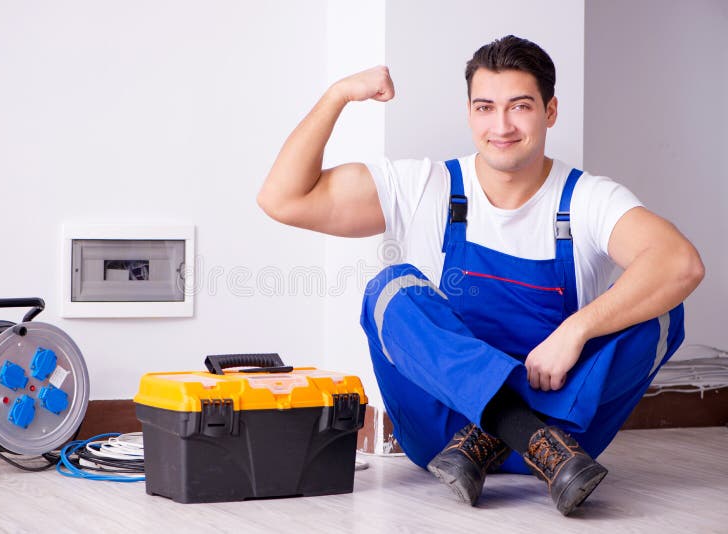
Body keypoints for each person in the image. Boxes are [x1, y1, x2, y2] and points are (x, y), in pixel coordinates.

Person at [257, 35, 704, 515]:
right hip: (458, 436)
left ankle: (498, 437)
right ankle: (523, 431)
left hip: (564, 429)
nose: (502, 126)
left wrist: (576, 330)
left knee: (662, 309)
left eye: (520, 106)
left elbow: (681, 263)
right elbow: (283, 199)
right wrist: (338, 94)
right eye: (486, 108)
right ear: (469, 113)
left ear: (550, 111)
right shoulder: (429, 186)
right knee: (389, 289)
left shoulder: (587, 198)